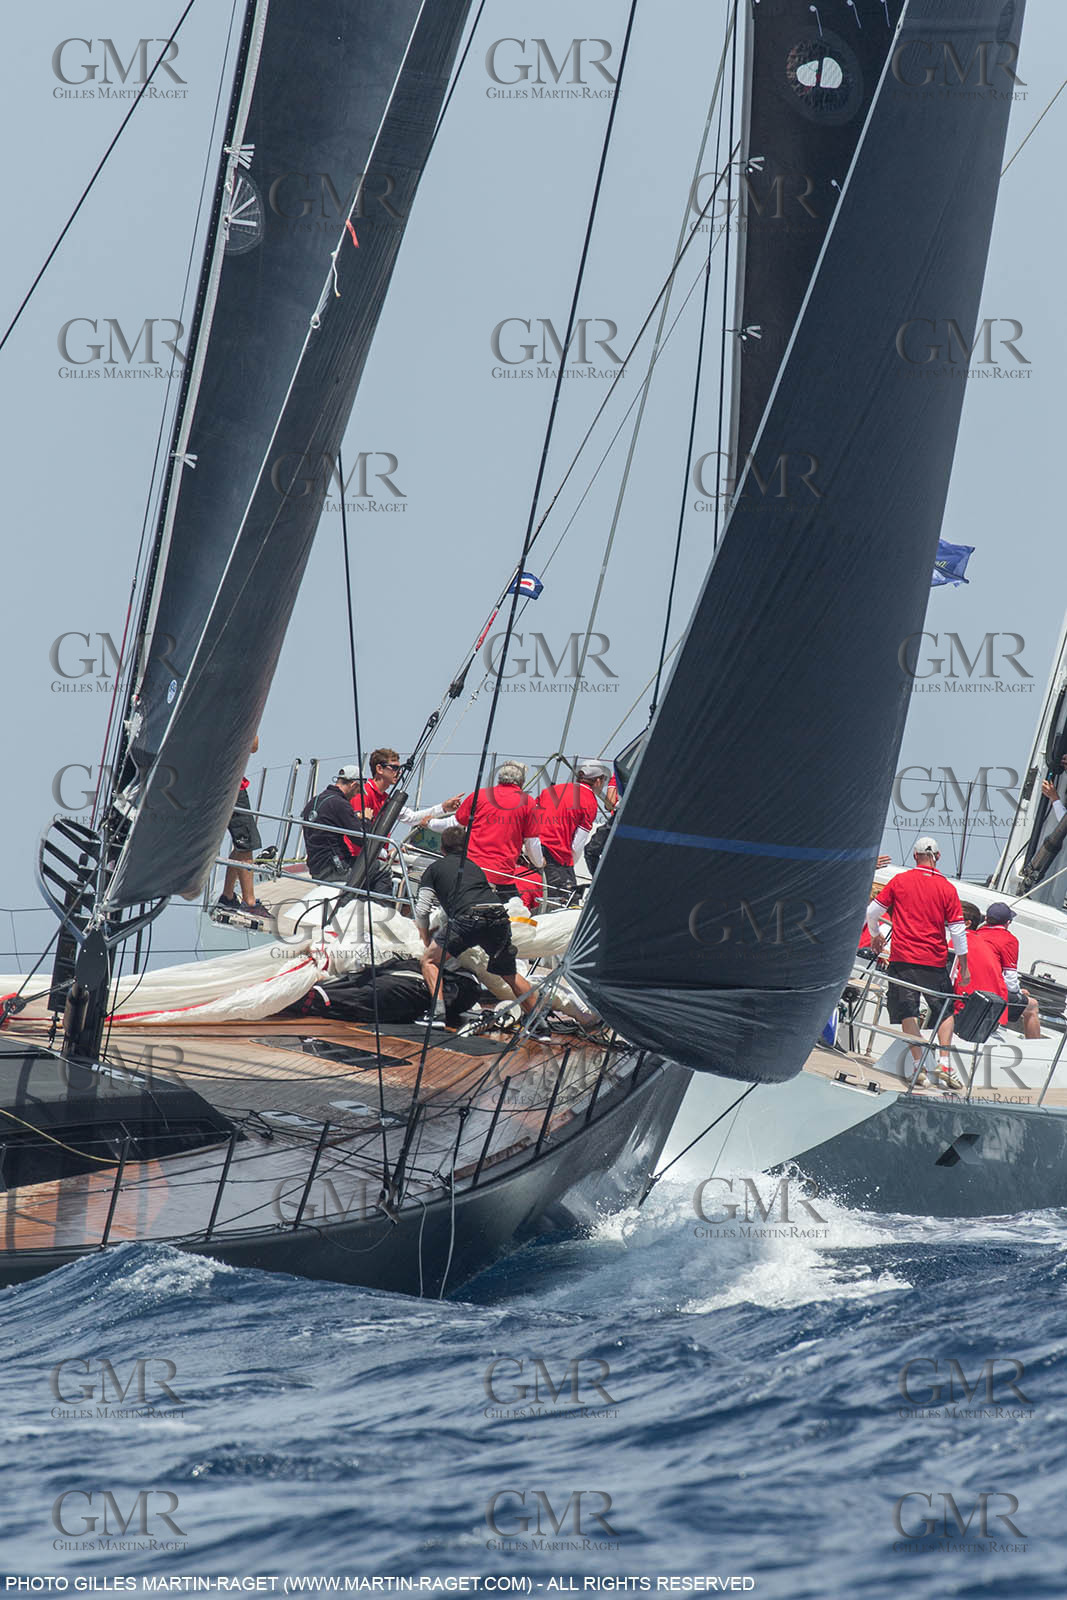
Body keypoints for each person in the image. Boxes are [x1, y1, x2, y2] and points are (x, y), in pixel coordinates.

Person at [867, 836, 969, 1090]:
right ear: (938, 857)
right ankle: (944, 1063)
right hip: (934, 960)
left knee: (908, 1011)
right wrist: (964, 968)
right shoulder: (947, 888)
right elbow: (958, 932)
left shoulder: (900, 881)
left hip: (903, 959)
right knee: (945, 1010)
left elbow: (872, 913)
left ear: (915, 857)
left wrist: (875, 936)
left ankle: (919, 1066)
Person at [414, 826, 537, 1025]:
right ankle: (540, 1025)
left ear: (442, 848)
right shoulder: (474, 867)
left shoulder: (434, 869)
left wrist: (426, 937)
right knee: (510, 974)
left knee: (429, 961)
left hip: (469, 918)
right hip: (498, 917)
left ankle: (437, 1014)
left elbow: (422, 909)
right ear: (466, 848)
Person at [344, 747, 463, 897]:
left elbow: (411, 817)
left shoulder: (385, 798)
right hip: (359, 861)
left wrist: (443, 808)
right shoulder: (363, 794)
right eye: (394, 768)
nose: (399, 772)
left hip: (376, 858)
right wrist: (387, 853)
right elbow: (356, 834)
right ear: (379, 769)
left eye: (399, 768)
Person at [453, 761, 545, 908]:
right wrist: (540, 863)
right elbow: (531, 843)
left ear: (499, 778)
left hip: (469, 870)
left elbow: (456, 823)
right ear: (521, 781)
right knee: (514, 914)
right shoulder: (528, 803)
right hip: (500, 876)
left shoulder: (479, 795)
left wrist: (429, 823)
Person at [535, 759, 611, 899]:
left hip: (532, 851)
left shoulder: (553, 790)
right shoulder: (589, 801)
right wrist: (569, 866)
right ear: (598, 781)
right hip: (556, 857)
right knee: (569, 902)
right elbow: (577, 844)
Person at [217, 735, 272, 921]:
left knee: (240, 845)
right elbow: (254, 745)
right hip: (232, 787)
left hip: (218, 784)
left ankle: (228, 896)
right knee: (246, 844)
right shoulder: (230, 712)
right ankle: (249, 903)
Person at [971, 899, 1041, 1039]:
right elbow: (1010, 977)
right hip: (990, 993)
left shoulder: (975, 933)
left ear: (986, 919)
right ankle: (1034, 1047)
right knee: (1032, 1006)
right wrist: (1019, 993)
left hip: (969, 988)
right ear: (1007, 922)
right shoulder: (1009, 940)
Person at [301, 768, 366, 882]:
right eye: (358, 791)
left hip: (317, 870)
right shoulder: (340, 804)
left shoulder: (314, 801)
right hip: (337, 868)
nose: (356, 795)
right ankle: (378, 900)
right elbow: (360, 839)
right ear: (354, 785)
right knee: (380, 868)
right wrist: (366, 820)